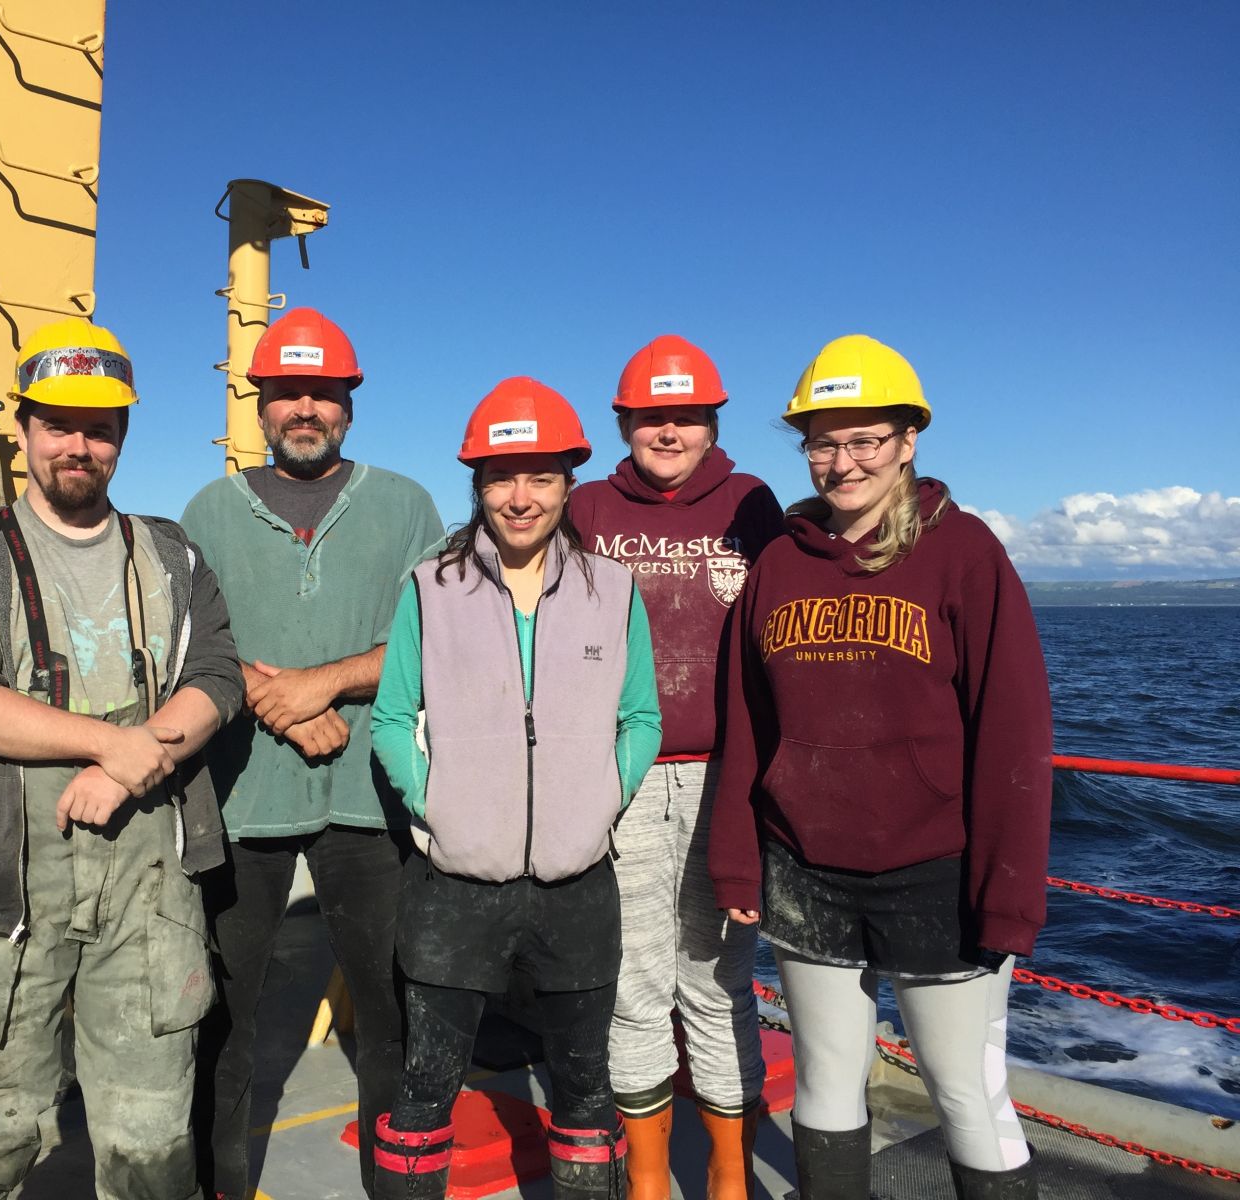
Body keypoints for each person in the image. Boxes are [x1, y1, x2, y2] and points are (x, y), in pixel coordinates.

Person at [0, 317, 244, 1200]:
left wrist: (130, 767)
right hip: (8, 877)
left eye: (98, 427)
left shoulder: (172, 554)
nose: (76, 444)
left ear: (122, 437)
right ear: (20, 429)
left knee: (152, 1134)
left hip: (148, 877)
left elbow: (217, 676)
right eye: (57, 423)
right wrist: (110, 743)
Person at [709, 335, 1052, 1200]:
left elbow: (1013, 735)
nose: (843, 460)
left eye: (866, 438)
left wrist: (1007, 893)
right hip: (805, 866)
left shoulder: (965, 553)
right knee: (827, 1079)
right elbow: (745, 722)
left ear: (908, 441)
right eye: (824, 441)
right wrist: (738, 855)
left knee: (964, 1089)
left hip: (934, 872)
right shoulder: (780, 565)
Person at [370, 377, 663, 1199]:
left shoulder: (614, 590)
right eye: (501, 476)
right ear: (478, 484)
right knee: (425, 1093)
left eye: (540, 475)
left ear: (570, 481)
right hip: (456, 887)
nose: (520, 496)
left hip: (578, 888)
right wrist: (439, 809)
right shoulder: (432, 588)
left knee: (583, 1091)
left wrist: (601, 799)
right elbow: (392, 719)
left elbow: (641, 718)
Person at [180, 307, 444, 1199]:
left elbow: (431, 639)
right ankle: (218, 1185)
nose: (304, 408)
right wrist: (288, 707)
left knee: (390, 1012)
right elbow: (194, 647)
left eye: (321, 394)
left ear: (349, 405)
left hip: (372, 804)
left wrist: (325, 683)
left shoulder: (405, 506)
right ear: (259, 406)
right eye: (286, 392)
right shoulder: (211, 512)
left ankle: (396, 1188)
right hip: (241, 798)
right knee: (221, 1015)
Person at [567, 335, 786, 1200]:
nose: (669, 430)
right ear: (623, 421)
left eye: (686, 415)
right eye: (652, 415)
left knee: (719, 983)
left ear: (712, 421)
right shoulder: (585, 506)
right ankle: (650, 1184)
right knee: (632, 985)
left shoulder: (753, 503)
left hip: (727, 779)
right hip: (617, 774)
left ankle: (730, 1181)